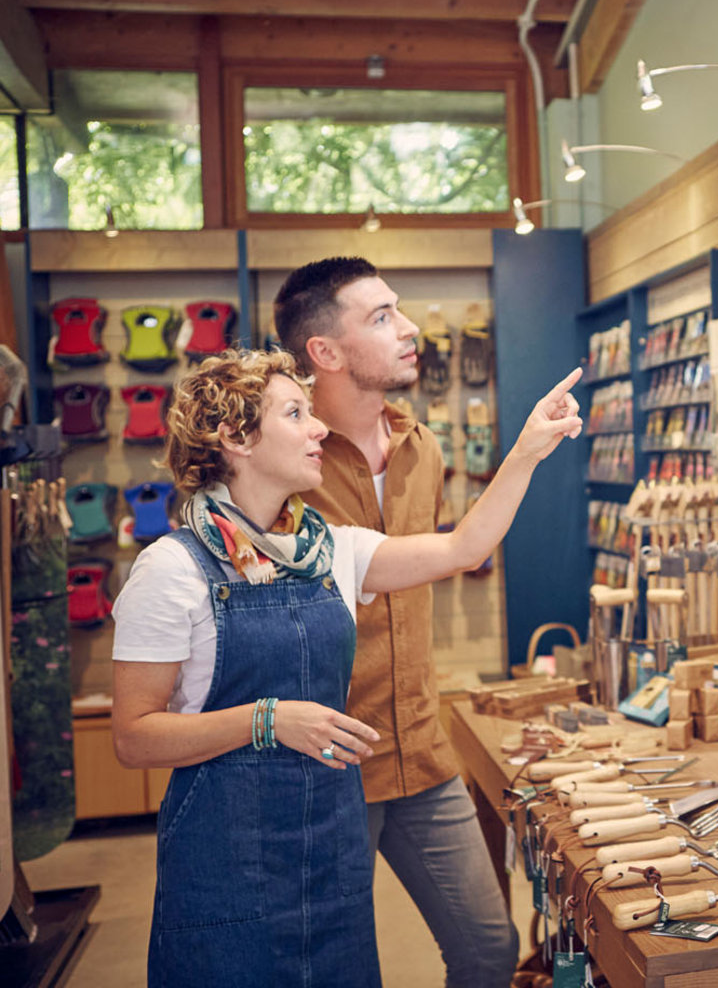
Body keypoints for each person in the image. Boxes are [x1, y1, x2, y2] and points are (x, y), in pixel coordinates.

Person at [110, 350, 581, 988]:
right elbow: (134, 735)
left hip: (329, 850)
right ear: (236, 437)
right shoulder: (172, 569)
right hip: (226, 862)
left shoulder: (331, 549)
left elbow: (463, 547)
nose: (319, 430)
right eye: (296, 413)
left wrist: (527, 449)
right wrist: (267, 720)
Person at [269, 256, 519, 985]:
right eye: (381, 317)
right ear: (326, 352)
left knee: (488, 948)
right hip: (327, 763)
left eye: (399, 309)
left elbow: (439, 563)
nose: (409, 329)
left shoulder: (423, 448)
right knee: (333, 969)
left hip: (422, 747)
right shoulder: (288, 462)